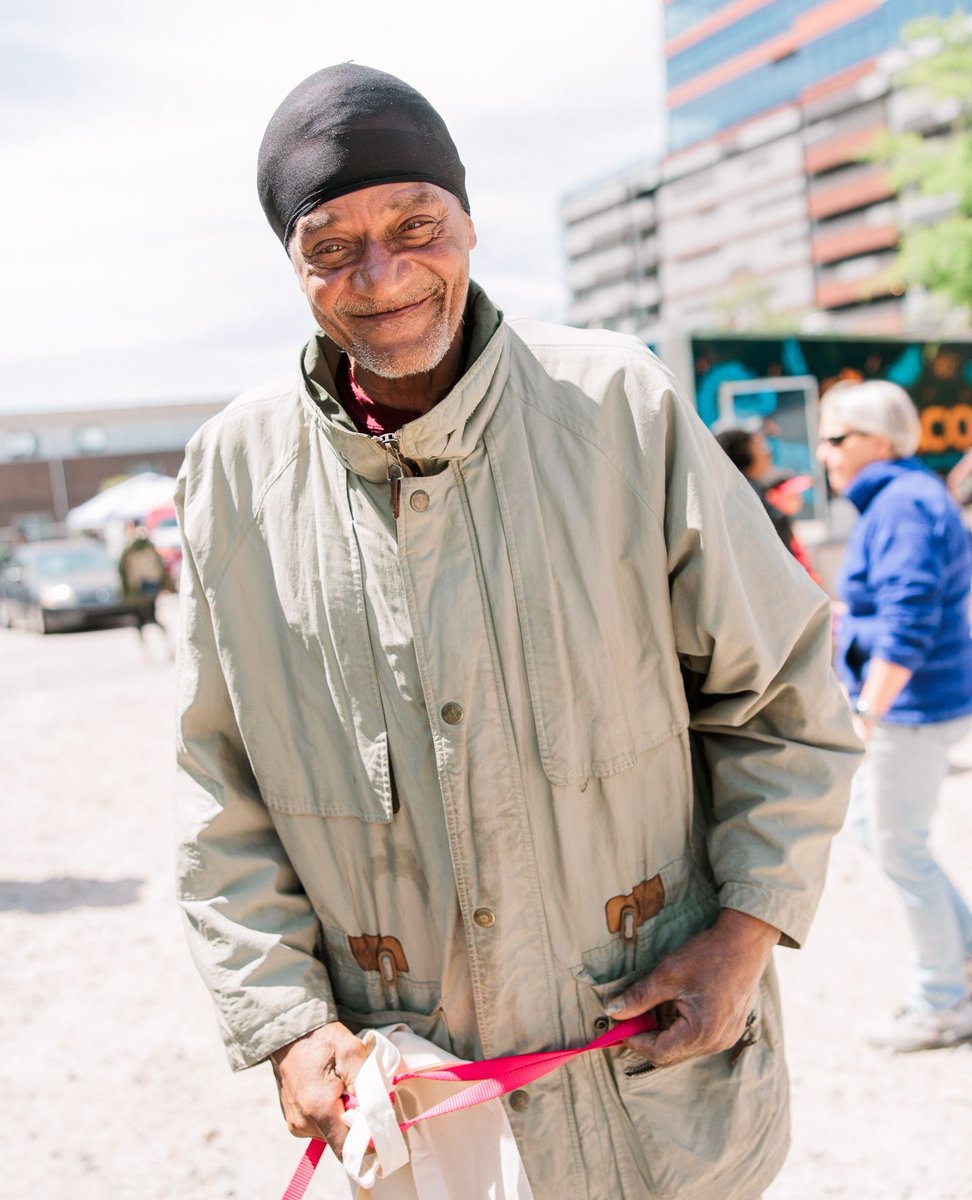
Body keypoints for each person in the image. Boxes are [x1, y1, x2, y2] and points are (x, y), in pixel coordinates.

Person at [175, 63, 861, 1200]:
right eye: (333, 245)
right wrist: (287, 1021)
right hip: (419, 1118)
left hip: (653, 1097)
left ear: (469, 223)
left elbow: (782, 695)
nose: (382, 274)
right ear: (292, 265)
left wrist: (744, 935)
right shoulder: (232, 478)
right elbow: (219, 790)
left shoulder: (621, 409)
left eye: (415, 225)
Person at [817, 380, 972, 1052]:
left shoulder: (904, 503)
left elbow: (909, 619)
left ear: (878, 441)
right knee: (882, 834)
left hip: (909, 706)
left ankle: (942, 1001)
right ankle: (961, 962)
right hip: (915, 700)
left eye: (835, 438)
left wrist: (867, 711)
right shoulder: (904, 497)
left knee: (897, 843)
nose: (823, 452)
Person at [118, 520, 173, 657]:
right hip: (148, 586)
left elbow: (123, 572)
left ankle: (150, 651)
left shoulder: (129, 549)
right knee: (150, 619)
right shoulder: (148, 546)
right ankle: (162, 648)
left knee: (142, 621)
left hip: (138, 588)